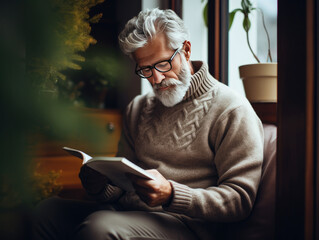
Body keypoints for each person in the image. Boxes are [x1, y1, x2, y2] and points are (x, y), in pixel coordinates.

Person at [33, 8, 264, 240]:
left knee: (100, 227)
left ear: (186, 49)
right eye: (145, 69)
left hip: (187, 225)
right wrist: (100, 184)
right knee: (46, 212)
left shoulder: (231, 109)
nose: (156, 78)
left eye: (163, 64)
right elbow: (121, 186)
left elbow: (239, 200)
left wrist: (172, 194)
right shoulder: (138, 108)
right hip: (128, 214)